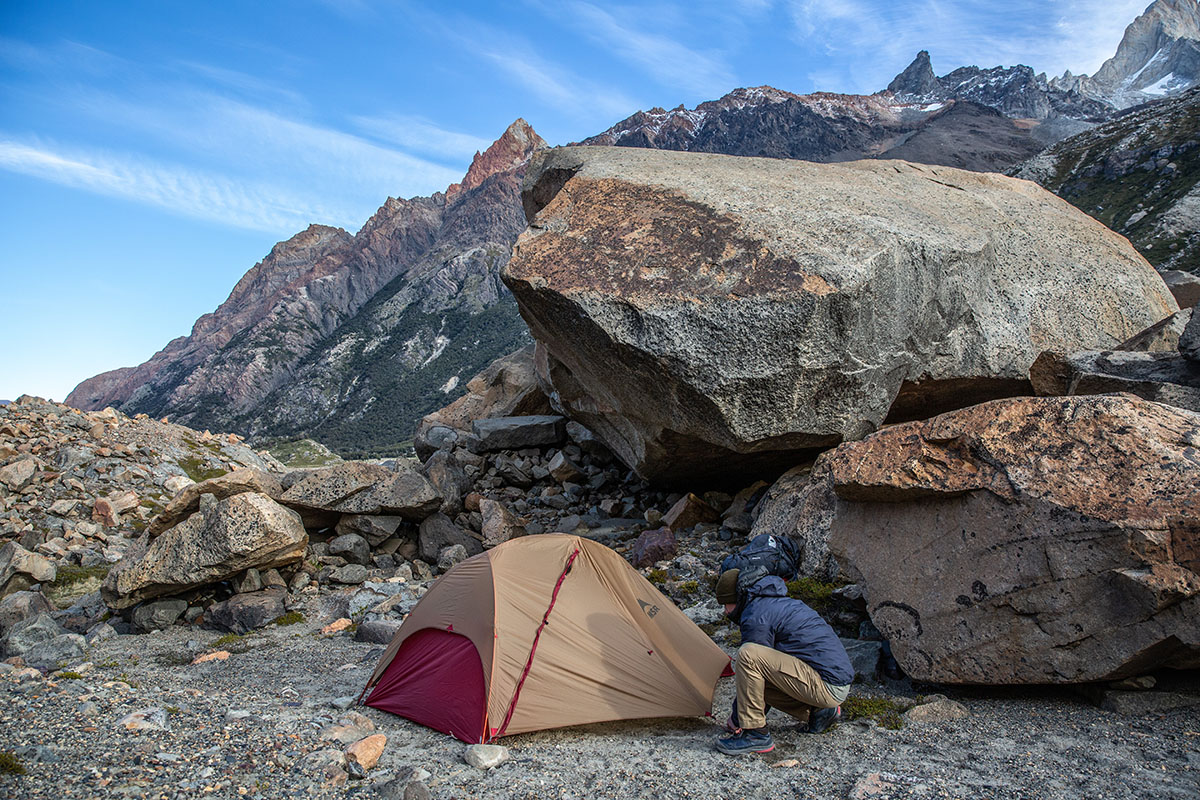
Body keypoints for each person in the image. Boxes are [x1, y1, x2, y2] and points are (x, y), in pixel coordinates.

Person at [714, 567, 854, 755]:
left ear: (737, 599)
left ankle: (755, 735)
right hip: (831, 682)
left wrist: (738, 719)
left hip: (828, 685)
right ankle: (819, 712)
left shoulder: (757, 615)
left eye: (726, 604)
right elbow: (762, 677)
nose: (725, 612)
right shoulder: (771, 603)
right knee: (758, 675)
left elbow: (753, 663)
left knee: (748, 655)